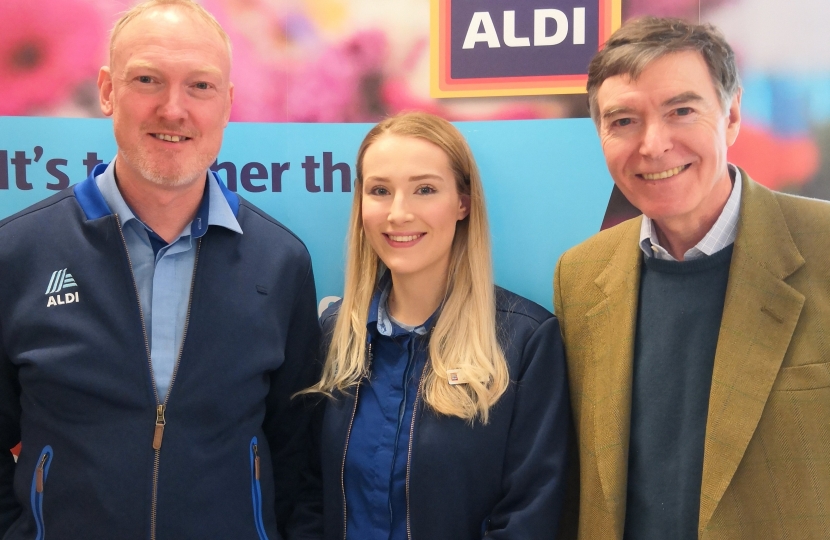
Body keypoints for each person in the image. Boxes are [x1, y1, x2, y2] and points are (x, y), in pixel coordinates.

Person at [0, 1, 320, 539]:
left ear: (227, 104)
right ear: (106, 90)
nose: (174, 109)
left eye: (200, 86)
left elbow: (300, 459)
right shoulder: (18, 252)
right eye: (147, 79)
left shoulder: (281, 262)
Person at [554, 16, 830, 540]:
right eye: (623, 121)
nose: (653, 145)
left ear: (731, 116)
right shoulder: (581, 273)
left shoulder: (824, 247)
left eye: (681, 110)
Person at [306, 111, 570, 540]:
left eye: (424, 189)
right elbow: (307, 496)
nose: (398, 213)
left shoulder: (524, 342)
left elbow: (528, 516)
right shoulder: (333, 335)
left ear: (463, 202)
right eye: (379, 191)